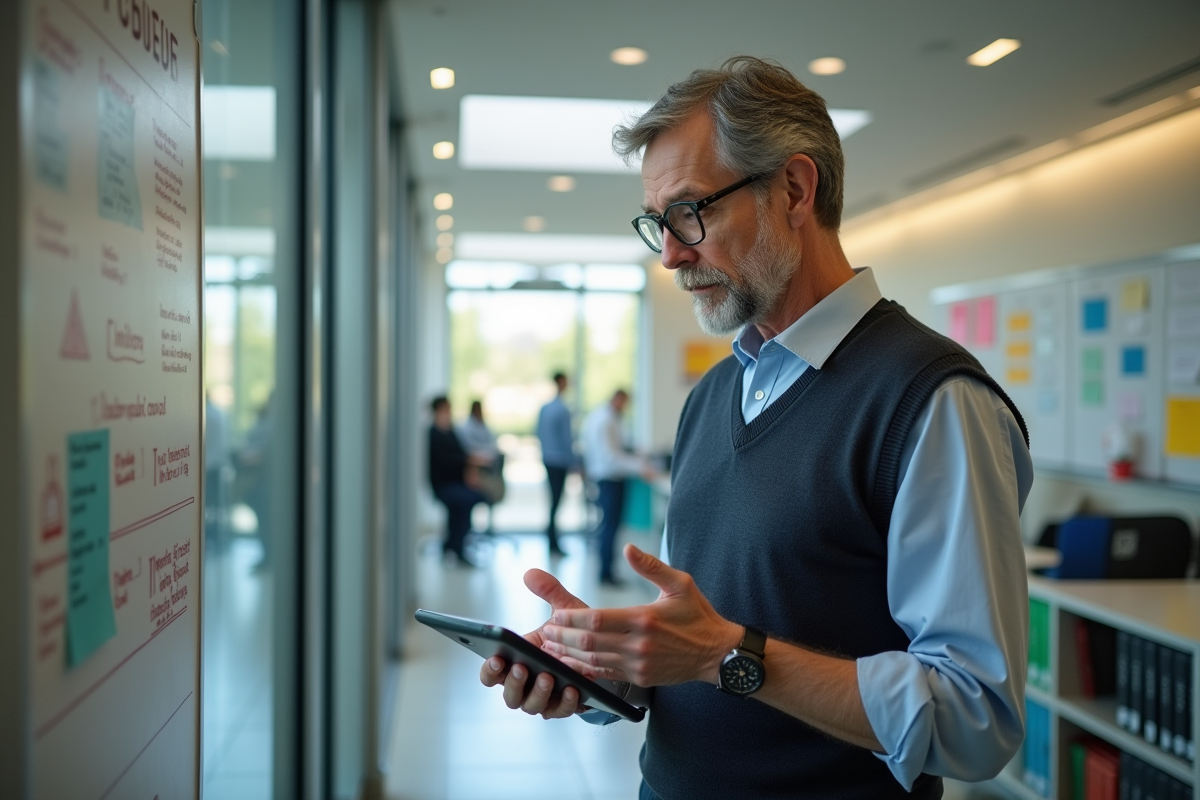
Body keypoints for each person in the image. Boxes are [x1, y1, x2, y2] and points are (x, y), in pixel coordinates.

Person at [480, 56, 1033, 799]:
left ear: (795, 190)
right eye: (659, 223)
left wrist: (724, 656)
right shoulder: (712, 396)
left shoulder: (933, 402)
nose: (672, 253)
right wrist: (616, 668)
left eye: (690, 212)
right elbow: (705, 636)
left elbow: (974, 721)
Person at [581, 389, 651, 585]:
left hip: (608, 476)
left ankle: (607, 570)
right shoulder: (605, 420)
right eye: (625, 403)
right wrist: (639, 466)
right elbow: (610, 457)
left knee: (609, 526)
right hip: (609, 478)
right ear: (618, 399)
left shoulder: (606, 417)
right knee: (609, 527)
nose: (625, 407)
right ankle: (606, 573)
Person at [427, 396, 489, 567]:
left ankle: (452, 545)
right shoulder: (433, 433)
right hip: (443, 485)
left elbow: (461, 455)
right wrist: (470, 461)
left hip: (457, 483)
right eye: (445, 409)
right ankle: (456, 547)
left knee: (470, 500)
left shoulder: (450, 431)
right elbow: (447, 461)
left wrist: (470, 469)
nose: (448, 413)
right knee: (466, 501)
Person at [535, 372, 574, 556]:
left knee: (553, 501)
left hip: (548, 459)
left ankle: (551, 540)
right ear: (561, 383)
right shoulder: (562, 410)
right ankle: (553, 542)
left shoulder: (545, 408)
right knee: (556, 502)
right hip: (559, 462)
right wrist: (575, 462)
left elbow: (538, 433)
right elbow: (567, 441)